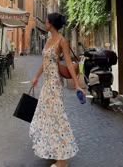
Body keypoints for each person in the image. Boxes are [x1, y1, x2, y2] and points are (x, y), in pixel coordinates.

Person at [29, 12, 85, 167]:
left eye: (46, 21)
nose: (44, 22)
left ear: (50, 24)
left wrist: (77, 84)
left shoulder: (62, 41)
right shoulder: (48, 40)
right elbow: (45, 62)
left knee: (57, 118)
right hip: (47, 85)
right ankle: (53, 150)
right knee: (45, 118)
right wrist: (36, 77)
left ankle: (62, 161)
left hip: (55, 85)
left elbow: (68, 63)